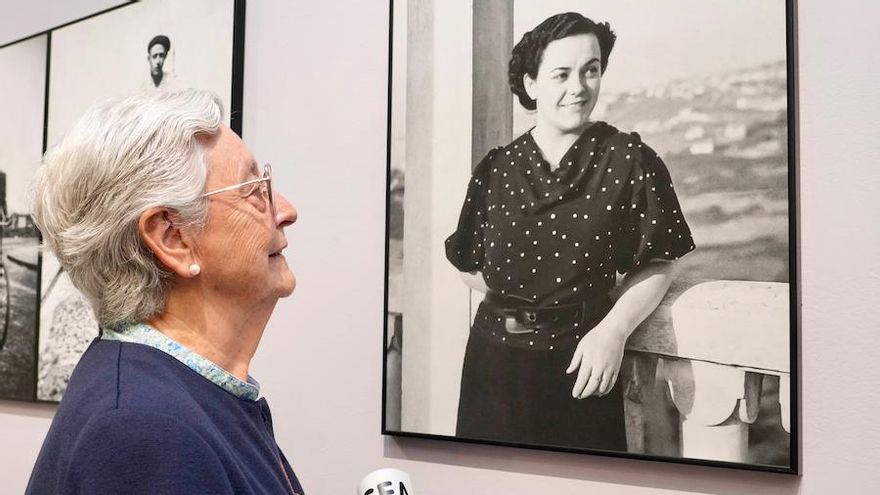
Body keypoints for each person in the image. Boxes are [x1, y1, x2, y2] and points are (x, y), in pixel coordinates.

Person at [26, 90, 304, 494]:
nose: (286, 209)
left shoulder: (179, 396)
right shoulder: (144, 429)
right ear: (172, 238)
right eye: (254, 188)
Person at [445, 12, 695, 451]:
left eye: (591, 70)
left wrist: (612, 330)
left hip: (581, 366)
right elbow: (468, 264)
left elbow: (659, 262)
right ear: (531, 83)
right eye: (562, 74)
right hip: (491, 366)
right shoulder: (497, 168)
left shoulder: (630, 160)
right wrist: (524, 297)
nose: (579, 87)